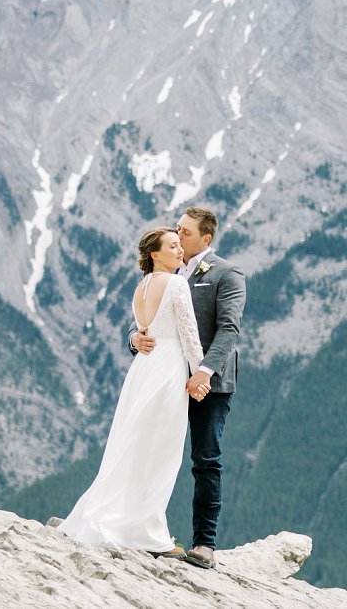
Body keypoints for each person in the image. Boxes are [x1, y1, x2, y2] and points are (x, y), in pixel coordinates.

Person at [59, 226, 204, 555]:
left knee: (135, 447)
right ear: (155, 254)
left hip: (143, 370)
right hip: (168, 368)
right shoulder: (177, 283)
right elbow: (190, 336)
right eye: (172, 247)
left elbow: (142, 330)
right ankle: (146, 533)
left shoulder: (141, 287)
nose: (180, 251)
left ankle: (126, 522)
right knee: (160, 453)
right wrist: (202, 376)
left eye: (180, 246)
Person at [129, 205, 245, 570]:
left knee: (205, 458)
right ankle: (143, 530)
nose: (178, 237)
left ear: (205, 238)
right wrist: (134, 338)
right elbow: (143, 317)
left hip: (208, 383)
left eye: (186, 232)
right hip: (166, 378)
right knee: (153, 451)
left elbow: (229, 329)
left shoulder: (227, 274)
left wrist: (205, 372)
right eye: (176, 230)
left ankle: (204, 545)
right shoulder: (166, 270)